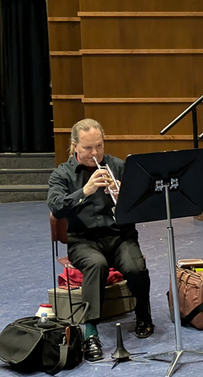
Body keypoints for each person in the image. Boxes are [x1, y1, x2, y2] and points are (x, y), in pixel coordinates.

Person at [47, 118, 154, 362]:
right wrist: (84, 192)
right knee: (96, 265)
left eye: (99, 146)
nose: (94, 153)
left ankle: (143, 313)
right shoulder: (62, 174)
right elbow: (55, 206)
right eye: (87, 148)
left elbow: (141, 205)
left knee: (136, 267)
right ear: (74, 146)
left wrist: (123, 196)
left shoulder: (118, 166)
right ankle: (91, 333)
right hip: (84, 240)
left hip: (120, 236)